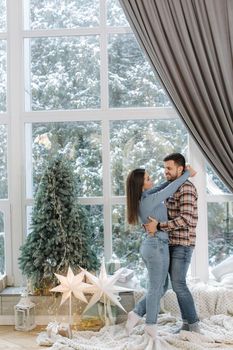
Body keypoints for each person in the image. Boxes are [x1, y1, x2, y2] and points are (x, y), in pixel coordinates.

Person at [125, 165, 196, 341]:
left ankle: (136, 314)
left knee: (162, 287)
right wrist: (187, 174)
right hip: (156, 246)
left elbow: (164, 186)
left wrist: (175, 176)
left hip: (157, 245)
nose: (152, 180)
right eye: (148, 179)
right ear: (141, 185)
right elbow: (170, 189)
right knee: (156, 288)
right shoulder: (148, 200)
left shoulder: (147, 195)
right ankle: (150, 326)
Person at [144, 153, 200, 333]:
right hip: (169, 243)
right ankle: (186, 324)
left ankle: (194, 325)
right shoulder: (171, 187)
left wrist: (158, 226)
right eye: (164, 168)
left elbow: (186, 219)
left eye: (169, 168)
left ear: (180, 168)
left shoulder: (186, 188)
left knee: (179, 284)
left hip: (182, 244)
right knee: (170, 285)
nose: (165, 172)